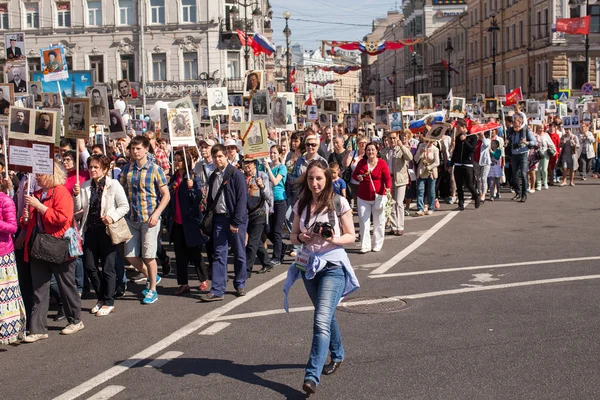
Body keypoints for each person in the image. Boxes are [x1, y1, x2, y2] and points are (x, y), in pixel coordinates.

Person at [285, 159, 359, 396]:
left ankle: (311, 376)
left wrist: (333, 239)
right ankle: (337, 354)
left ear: (327, 179)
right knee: (325, 315)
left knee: (320, 320)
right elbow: (292, 236)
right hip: (309, 267)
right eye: (310, 178)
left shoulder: (338, 202)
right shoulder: (302, 204)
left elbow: (351, 236)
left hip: (333, 266)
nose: (314, 183)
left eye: (319, 178)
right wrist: (303, 237)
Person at [22, 160, 84, 343]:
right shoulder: (37, 194)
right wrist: (25, 219)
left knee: (66, 286)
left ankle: (75, 319)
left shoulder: (61, 192)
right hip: (39, 247)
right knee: (39, 289)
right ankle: (38, 329)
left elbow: (63, 218)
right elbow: (30, 222)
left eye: (39, 174)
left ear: (50, 174)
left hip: (59, 246)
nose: (37, 178)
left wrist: (40, 207)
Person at [73, 155, 129, 317]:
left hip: (107, 231)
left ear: (104, 169)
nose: (93, 170)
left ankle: (109, 301)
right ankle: (101, 298)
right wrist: (76, 195)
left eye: (96, 167)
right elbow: (78, 209)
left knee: (108, 268)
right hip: (90, 230)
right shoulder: (84, 186)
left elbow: (124, 206)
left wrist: (111, 216)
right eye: (91, 167)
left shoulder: (114, 185)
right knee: (90, 266)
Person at [120, 136, 170, 305]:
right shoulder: (127, 169)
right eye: (133, 149)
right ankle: (153, 276)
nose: (135, 152)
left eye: (138, 148)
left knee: (149, 256)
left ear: (146, 149)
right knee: (130, 255)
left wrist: (156, 214)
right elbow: (120, 190)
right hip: (131, 219)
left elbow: (166, 195)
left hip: (149, 219)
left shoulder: (155, 169)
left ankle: (152, 289)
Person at [200, 144, 248, 301]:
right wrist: (206, 223)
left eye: (220, 156)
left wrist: (236, 222)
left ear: (226, 155)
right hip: (219, 219)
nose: (217, 159)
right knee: (219, 254)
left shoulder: (236, 175)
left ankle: (240, 283)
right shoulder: (213, 176)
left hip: (235, 219)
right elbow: (211, 201)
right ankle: (217, 289)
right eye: (214, 157)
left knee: (239, 253)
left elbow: (241, 200)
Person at [168, 150, 209, 295]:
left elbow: (199, 197)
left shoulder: (193, 177)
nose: (177, 163)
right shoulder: (174, 178)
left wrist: (192, 188)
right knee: (180, 255)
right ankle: (183, 283)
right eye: (176, 160)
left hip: (190, 221)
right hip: (177, 221)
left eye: (180, 160)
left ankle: (203, 279)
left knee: (195, 251)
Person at [352, 142, 392, 253]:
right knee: (364, 222)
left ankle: (377, 244)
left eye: (372, 150)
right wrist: (358, 177)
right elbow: (354, 175)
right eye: (368, 150)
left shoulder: (382, 163)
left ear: (377, 151)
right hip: (363, 197)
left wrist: (388, 190)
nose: (370, 152)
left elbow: (387, 178)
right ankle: (365, 245)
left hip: (378, 197)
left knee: (379, 221)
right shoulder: (361, 163)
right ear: (365, 152)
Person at [0, 187, 25, 344]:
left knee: (5, 295)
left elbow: (13, 227)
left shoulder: (5, 200)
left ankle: (10, 332)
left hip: (3, 255)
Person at [243, 159, 273, 277]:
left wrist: (261, 185)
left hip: (259, 212)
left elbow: (268, 196)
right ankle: (267, 262)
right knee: (256, 241)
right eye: (244, 162)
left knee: (251, 243)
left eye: (249, 162)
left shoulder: (262, 175)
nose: (246, 165)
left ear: (255, 164)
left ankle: (246, 271)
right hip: (247, 213)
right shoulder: (242, 177)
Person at [380, 131, 412, 235]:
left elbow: (410, 157)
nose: (392, 140)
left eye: (394, 138)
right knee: (391, 204)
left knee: (399, 203)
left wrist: (402, 146)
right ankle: (394, 227)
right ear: (387, 140)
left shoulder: (401, 149)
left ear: (397, 138)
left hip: (400, 179)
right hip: (389, 179)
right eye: (390, 138)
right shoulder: (384, 151)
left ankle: (400, 226)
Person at [263, 145, 287, 266]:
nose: (272, 155)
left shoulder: (282, 168)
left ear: (279, 154)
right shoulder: (265, 166)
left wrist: (268, 169)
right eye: (271, 153)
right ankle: (281, 246)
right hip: (268, 201)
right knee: (267, 229)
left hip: (279, 201)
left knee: (277, 230)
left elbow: (275, 181)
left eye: (274, 153)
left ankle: (277, 257)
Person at [451, 119, 480, 210]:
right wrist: (451, 163)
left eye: (459, 127)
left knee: (469, 184)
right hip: (458, 163)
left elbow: (472, 150)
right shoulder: (458, 137)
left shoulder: (472, 137)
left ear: (464, 127)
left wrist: (465, 141)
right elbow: (456, 151)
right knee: (459, 185)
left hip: (468, 164)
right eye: (457, 127)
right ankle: (461, 203)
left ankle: (476, 196)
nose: (458, 129)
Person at [507, 114, 536, 202]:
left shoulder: (526, 131)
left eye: (516, 123)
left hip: (523, 153)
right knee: (515, 175)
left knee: (523, 174)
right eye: (513, 123)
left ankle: (524, 194)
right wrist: (507, 142)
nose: (514, 125)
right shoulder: (511, 131)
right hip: (514, 154)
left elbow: (533, 142)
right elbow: (509, 141)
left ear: (520, 123)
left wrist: (526, 142)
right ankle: (518, 193)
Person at [414, 139, 440, 216]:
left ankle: (431, 207)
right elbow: (415, 159)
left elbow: (437, 162)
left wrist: (430, 167)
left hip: (431, 172)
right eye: (426, 141)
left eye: (430, 142)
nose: (428, 143)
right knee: (420, 190)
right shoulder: (421, 146)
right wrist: (420, 152)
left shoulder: (435, 149)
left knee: (431, 190)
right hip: (422, 171)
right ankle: (420, 208)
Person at [536, 126, 556, 190]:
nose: (541, 129)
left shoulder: (546, 135)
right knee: (537, 169)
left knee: (544, 169)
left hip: (545, 153)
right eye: (539, 128)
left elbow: (551, 143)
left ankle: (545, 182)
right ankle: (538, 184)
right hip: (537, 154)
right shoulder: (535, 135)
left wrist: (554, 150)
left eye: (542, 128)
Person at [473, 131, 491, 203]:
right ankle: (480, 193)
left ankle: (483, 194)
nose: (479, 135)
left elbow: (486, 145)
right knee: (478, 178)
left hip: (485, 162)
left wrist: (482, 136)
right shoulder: (476, 141)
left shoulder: (487, 140)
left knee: (483, 178)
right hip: (476, 161)